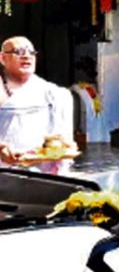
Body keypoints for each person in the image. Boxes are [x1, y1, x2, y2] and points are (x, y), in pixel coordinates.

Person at [0, 36, 73, 174]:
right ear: (3, 58)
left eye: (31, 52)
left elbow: (64, 140)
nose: (26, 56)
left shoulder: (54, 93)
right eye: (19, 51)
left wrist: (63, 147)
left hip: (42, 176)